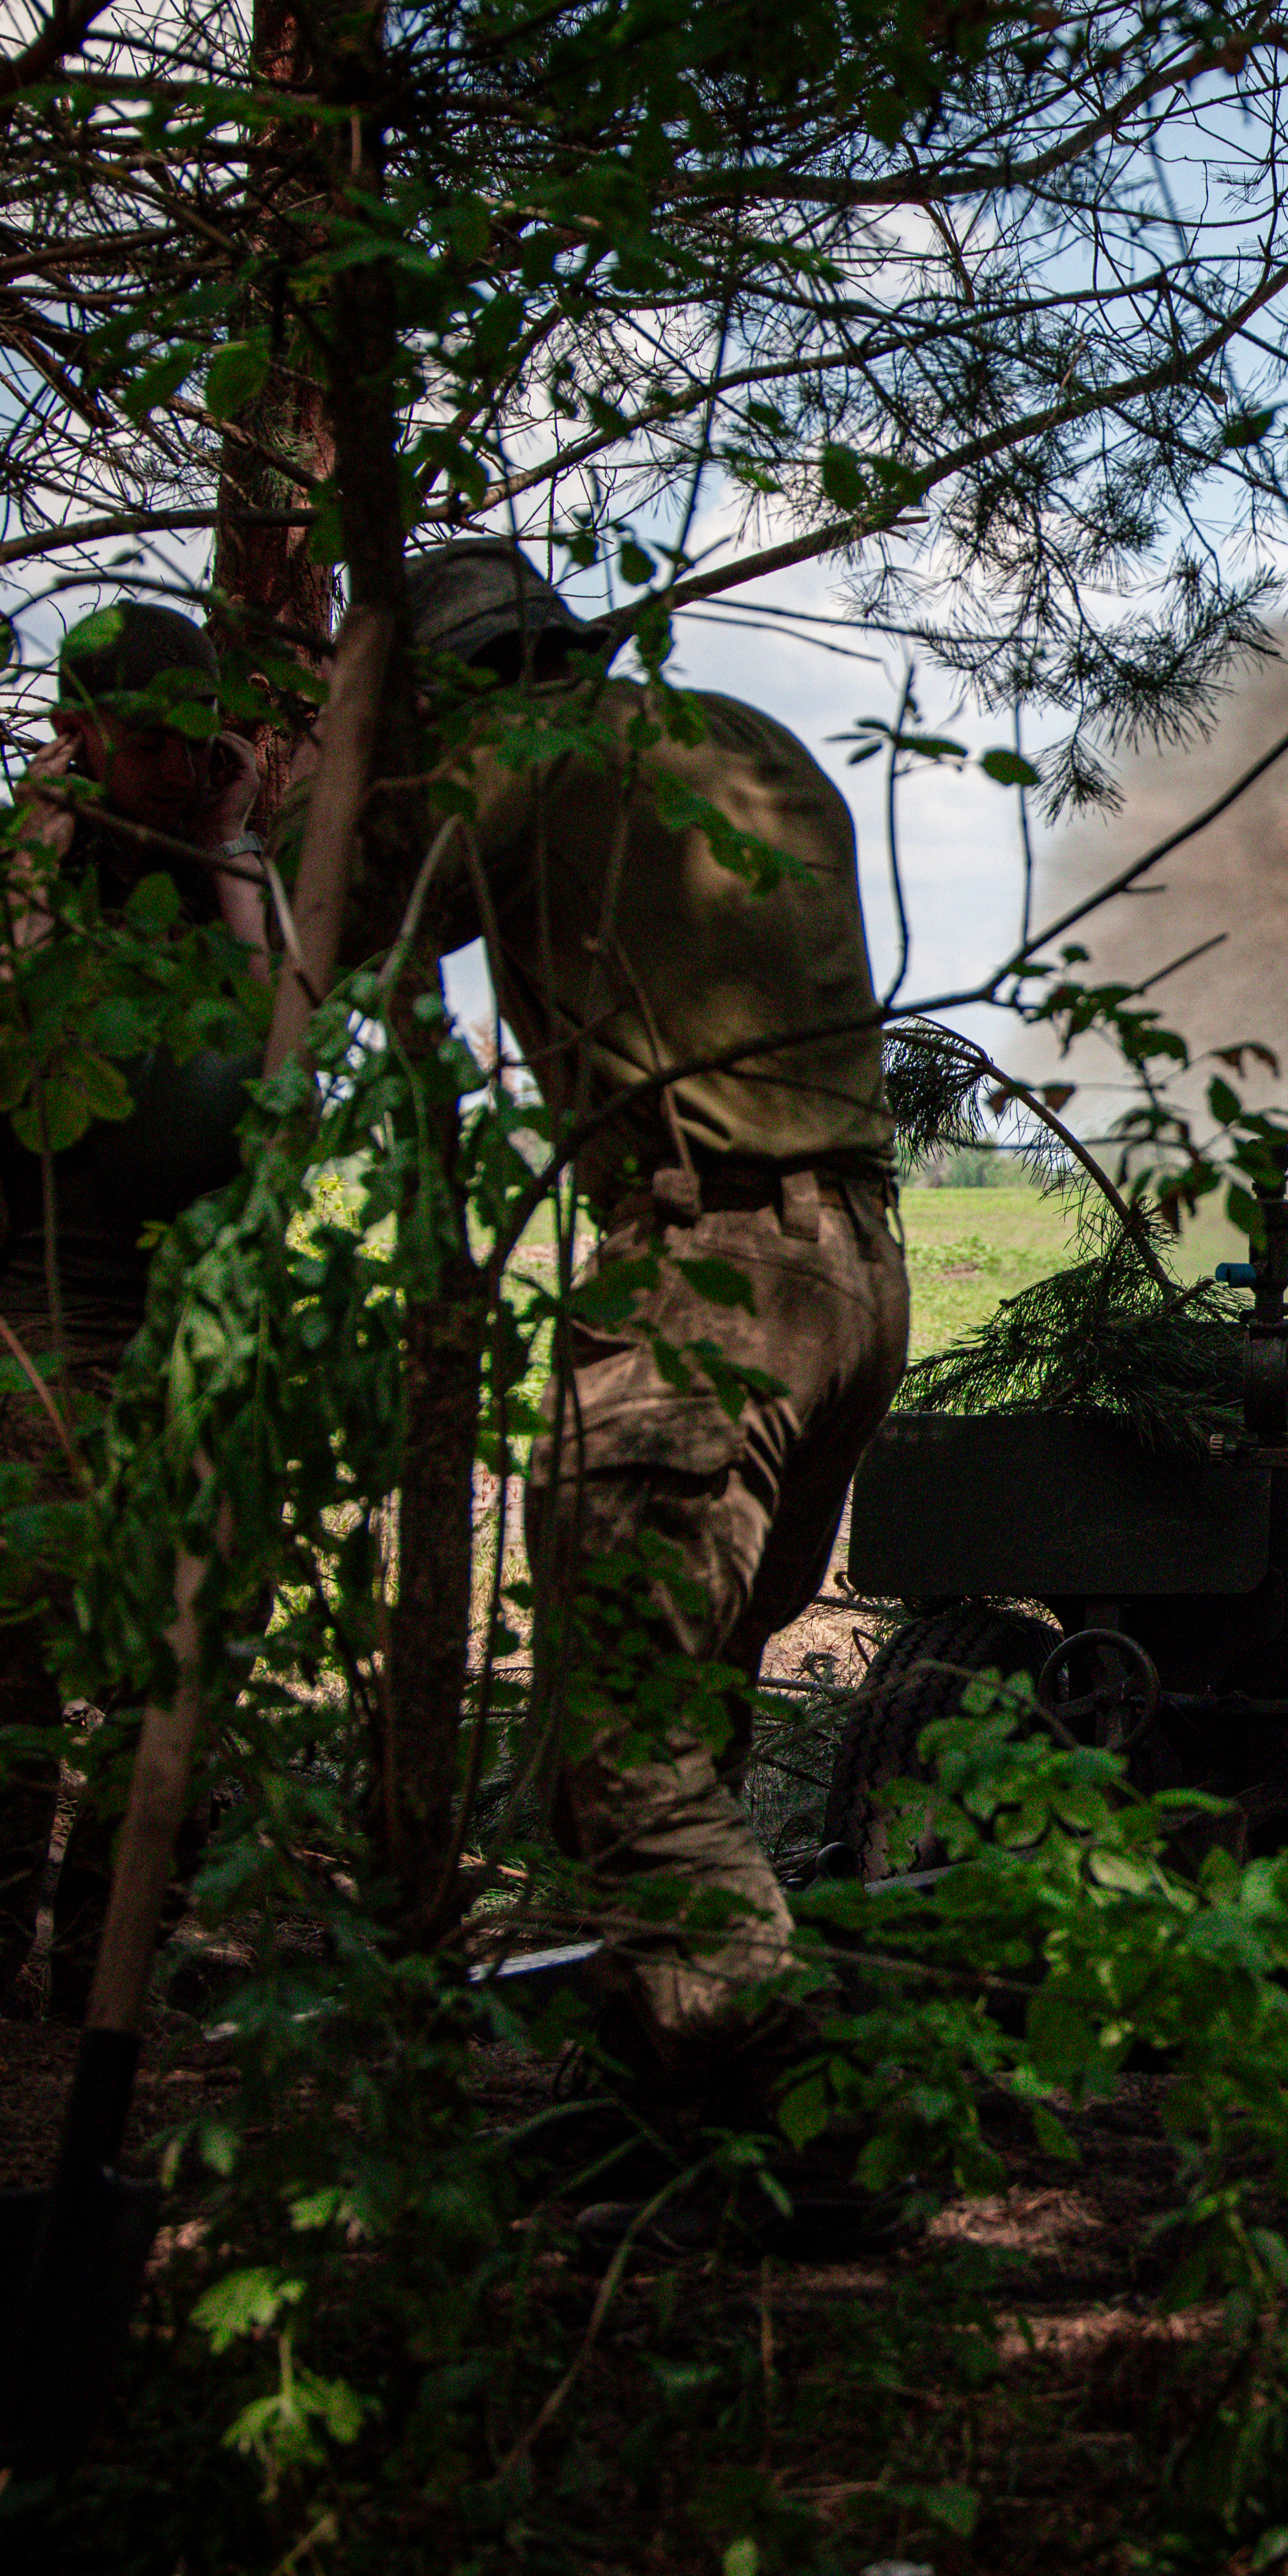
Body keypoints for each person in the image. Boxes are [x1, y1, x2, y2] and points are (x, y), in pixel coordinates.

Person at [396, 539, 909, 2116]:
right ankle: (665, 2102)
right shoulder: (750, 741)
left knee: (622, 1734)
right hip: (857, 1272)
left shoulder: (524, 757)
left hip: (712, 1270)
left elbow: (354, 919)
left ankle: (812, 2112)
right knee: (688, 1705)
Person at [0, 603, 273, 2019]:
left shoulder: (240, 869)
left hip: (203, 1297)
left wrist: (228, 852)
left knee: (190, 1622)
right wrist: (45, 874)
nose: (174, 767)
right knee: (17, 1606)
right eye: (147, 742)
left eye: (195, 741)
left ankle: (124, 1940)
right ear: (81, 734)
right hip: (36, 1290)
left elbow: (290, 1052)